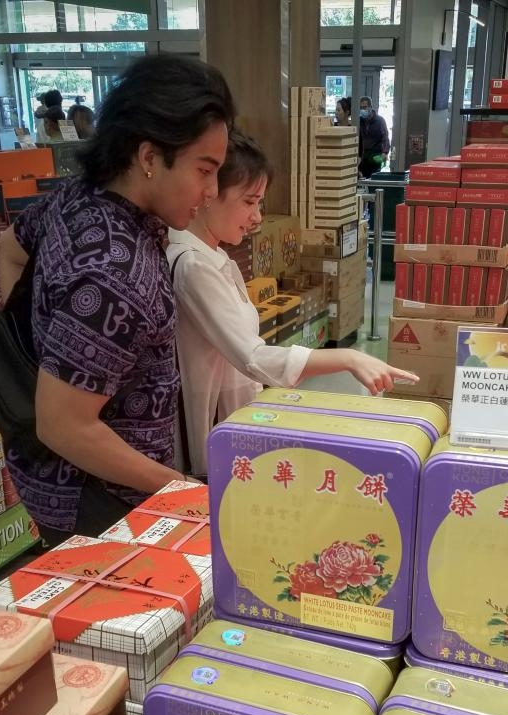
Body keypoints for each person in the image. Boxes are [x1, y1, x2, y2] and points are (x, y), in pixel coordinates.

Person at [0, 53, 234, 547]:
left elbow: (8, 250)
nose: (211, 192)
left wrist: (36, 354)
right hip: (99, 504)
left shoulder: (78, 197)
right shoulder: (114, 272)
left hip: (63, 479)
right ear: (149, 158)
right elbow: (63, 425)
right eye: (204, 170)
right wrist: (179, 488)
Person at [166, 130, 419, 477]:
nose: (257, 217)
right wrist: (346, 357)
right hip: (211, 436)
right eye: (249, 201)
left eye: (259, 203)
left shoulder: (212, 256)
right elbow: (253, 357)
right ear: (209, 194)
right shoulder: (193, 265)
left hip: (231, 420)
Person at [358, 96, 390, 177]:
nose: (362, 110)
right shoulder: (360, 121)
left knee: (373, 178)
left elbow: (385, 137)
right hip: (364, 156)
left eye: (364, 107)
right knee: (362, 177)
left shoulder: (379, 121)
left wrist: (384, 152)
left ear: (370, 107)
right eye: (360, 108)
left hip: (376, 156)